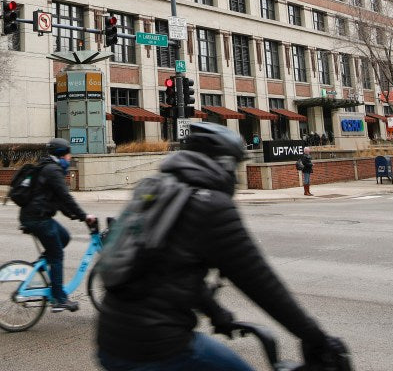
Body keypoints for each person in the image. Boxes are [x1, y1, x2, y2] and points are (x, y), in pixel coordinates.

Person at [96, 123, 349, 371]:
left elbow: (168, 271)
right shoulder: (210, 206)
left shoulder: (160, 190)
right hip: (156, 348)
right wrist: (316, 338)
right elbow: (261, 283)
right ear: (225, 164)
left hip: (111, 339)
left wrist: (216, 313)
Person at [18, 137, 96, 312]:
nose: (70, 158)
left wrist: (76, 216)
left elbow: (59, 201)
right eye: (68, 154)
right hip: (37, 218)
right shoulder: (53, 170)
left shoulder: (48, 167)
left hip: (36, 216)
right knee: (57, 254)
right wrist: (84, 216)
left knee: (64, 237)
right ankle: (59, 299)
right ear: (61, 154)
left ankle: (44, 264)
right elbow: (65, 197)